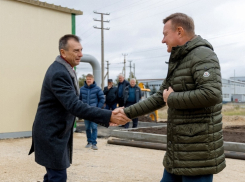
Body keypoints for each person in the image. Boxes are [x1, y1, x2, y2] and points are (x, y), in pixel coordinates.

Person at [114, 13, 225, 182]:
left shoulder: (202, 55)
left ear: (179, 31)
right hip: (178, 151)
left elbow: (211, 94)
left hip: (197, 155)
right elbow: (160, 97)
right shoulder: (179, 59)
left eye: (165, 34)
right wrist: (127, 113)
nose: (163, 40)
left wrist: (172, 98)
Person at [28, 34, 130, 182]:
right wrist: (108, 116)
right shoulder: (59, 73)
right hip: (51, 133)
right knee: (58, 176)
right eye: (76, 50)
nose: (81, 54)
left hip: (56, 132)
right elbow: (74, 105)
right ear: (63, 52)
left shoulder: (65, 69)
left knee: (53, 175)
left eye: (81, 50)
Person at [79, 74, 104, 150]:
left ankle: (94, 143)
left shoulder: (97, 89)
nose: (88, 80)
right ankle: (89, 142)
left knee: (94, 127)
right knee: (87, 127)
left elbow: (102, 99)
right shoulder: (82, 89)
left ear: (93, 80)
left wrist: (97, 108)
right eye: (87, 79)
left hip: (94, 112)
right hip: (86, 112)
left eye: (90, 79)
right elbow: (79, 100)